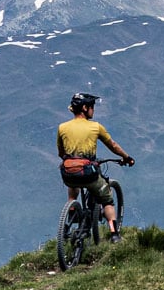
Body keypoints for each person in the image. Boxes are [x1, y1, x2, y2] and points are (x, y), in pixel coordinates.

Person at [57, 92, 134, 240]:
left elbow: (61, 152)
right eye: (92, 107)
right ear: (85, 108)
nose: (93, 110)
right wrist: (126, 157)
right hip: (88, 173)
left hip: (68, 173)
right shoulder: (95, 127)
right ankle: (114, 234)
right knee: (107, 200)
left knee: (73, 187)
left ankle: (72, 211)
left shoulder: (62, 127)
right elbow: (113, 146)